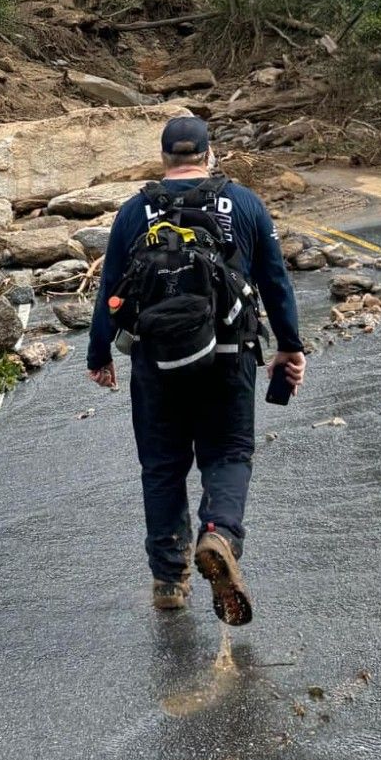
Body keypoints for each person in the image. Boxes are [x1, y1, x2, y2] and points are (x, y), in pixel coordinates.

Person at [87, 114, 306, 623]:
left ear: (164, 160)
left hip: (155, 361)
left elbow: (111, 291)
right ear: (210, 155)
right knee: (228, 452)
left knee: (162, 467)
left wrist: (99, 355)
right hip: (229, 355)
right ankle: (219, 535)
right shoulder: (244, 203)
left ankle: (168, 580)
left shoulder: (135, 210)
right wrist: (290, 347)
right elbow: (275, 280)